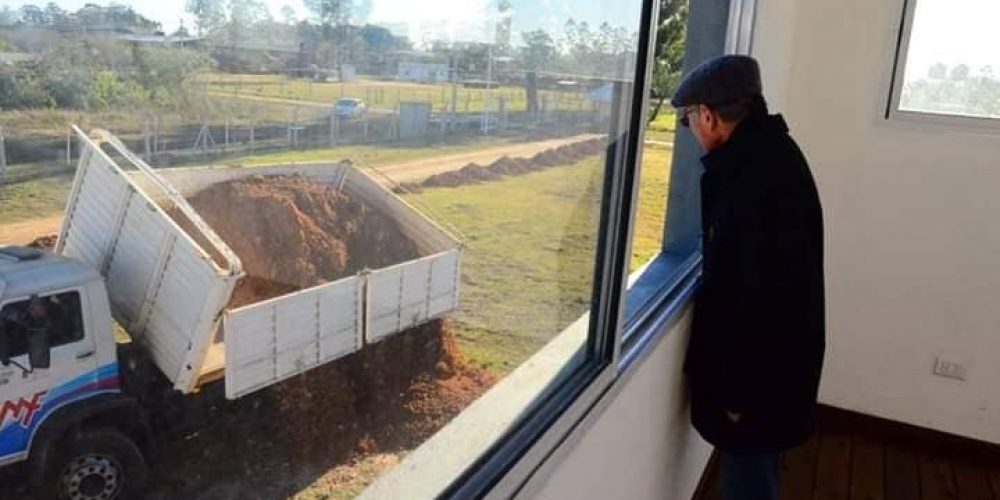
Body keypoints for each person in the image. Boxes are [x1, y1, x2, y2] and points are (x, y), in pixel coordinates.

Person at [674, 55, 825, 500]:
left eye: (687, 122)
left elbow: (765, 296)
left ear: (708, 115)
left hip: (758, 381)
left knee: (749, 479)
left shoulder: (753, 181)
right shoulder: (769, 157)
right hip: (773, 370)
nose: (691, 133)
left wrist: (740, 394)